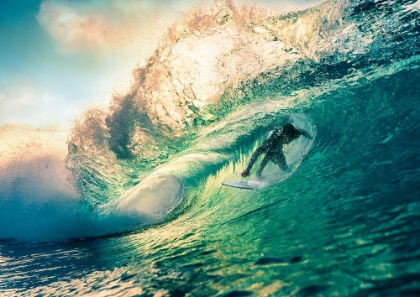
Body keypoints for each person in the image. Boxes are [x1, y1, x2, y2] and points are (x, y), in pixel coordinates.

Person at [241, 123, 312, 179]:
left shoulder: (295, 133)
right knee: (269, 154)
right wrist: (255, 171)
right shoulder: (275, 140)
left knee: (284, 168)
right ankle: (254, 172)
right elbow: (263, 156)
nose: (289, 139)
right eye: (288, 137)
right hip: (270, 143)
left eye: (290, 137)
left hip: (277, 144)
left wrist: (312, 140)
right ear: (284, 135)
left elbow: (303, 132)